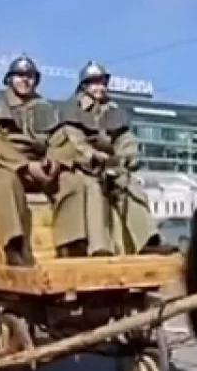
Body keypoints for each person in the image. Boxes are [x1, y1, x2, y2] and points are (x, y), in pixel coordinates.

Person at [49, 61, 175, 256]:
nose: (99, 87)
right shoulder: (72, 108)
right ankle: (99, 246)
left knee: (130, 185)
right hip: (79, 166)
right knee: (93, 187)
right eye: (94, 83)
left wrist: (127, 157)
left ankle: (147, 239)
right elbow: (74, 142)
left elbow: (125, 140)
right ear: (84, 86)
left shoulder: (113, 110)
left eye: (102, 82)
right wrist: (93, 156)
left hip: (108, 164)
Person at [0, 55, 61, 266]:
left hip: (41, 165)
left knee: (75, 183)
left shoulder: (46, 108)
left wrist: (54, 161)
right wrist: (24, 165)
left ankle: (72, 244)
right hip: (2, 163)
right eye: (20, 75)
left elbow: (61, 139)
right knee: (5, 183)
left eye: (30, 76)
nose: (25, 80)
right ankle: (14, 244)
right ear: (10, 79)